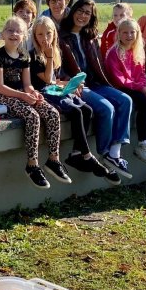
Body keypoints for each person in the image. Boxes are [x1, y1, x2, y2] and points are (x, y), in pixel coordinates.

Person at [29, 16, 114, 181]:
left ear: (54, 34)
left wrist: (70, 84)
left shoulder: (56, 52)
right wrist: (49, 57)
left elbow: (55, 79)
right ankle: (87, 154)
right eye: (40, 35)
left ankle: (76, 152)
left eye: (48, 34)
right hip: (43, 93)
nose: (45, 38)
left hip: (55, 90)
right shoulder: (35, 55)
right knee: (75, 112)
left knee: (87, 109)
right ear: (34, 36)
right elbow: (46, 80)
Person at [0, 17, 71, 189]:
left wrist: (33, 93)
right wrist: (23, 96)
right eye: (10, 30)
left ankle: (53, 159)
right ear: (3, 34)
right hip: (2, 96)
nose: (14, 34)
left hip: (20, 94)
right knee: (32, 116)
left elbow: (27, 84)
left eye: (18, 31)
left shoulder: (24, 56)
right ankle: (32, 164)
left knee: (51, 112)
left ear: (24, 35)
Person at [59, 0, 133, 182]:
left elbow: (98, 66)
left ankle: (115, 152)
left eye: (87, 13)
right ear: (73, 10)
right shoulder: (61, 36)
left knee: (125, 100)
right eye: (80, 11)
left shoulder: (90, 38)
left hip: (94, 83)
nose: (82, 16)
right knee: (106, 108)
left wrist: (111, 84)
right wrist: (71, 82)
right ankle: (104, 152)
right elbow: (59, 69)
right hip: (76, 85)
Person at [104, 18, 146, 164]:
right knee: (145, 102)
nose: (129, 35)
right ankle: (143, 143)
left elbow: (141, 73)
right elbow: (118, 79)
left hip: (137, 86)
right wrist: (140, 87)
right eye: (125, 32)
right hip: (121, 88)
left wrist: (144, 85)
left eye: (132, 32)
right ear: (119, 33)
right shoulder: (114, 53)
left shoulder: (137, 50)